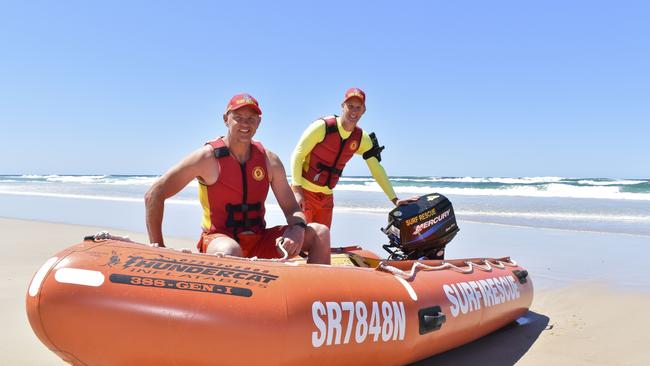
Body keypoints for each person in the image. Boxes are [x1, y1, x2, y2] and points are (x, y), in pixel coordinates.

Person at [145, 93, 331, 264]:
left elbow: (292, 209)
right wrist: (159, 249)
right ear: (226, 119)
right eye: (238, 118)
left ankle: (320, 296)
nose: (245, 124)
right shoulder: (207, 158)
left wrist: (297, 228)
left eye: (251, 119)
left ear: (259, 122)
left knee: (320, 232)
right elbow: (154, 194)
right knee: (231, 249)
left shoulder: (269, 160)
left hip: (259, 240)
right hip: (218, 241)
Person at [290, 88, 415, 228]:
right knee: (302, 241)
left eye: (358, 107)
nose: (354, 111)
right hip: (305, 193)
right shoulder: (322, 127)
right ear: (342, 106)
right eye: (350, 106)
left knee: (321, 242)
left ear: (364, 111)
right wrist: (297, 191)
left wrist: (395, 199)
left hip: (326, 198)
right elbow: (297, 154)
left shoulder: (362, 139)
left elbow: (376, 169)